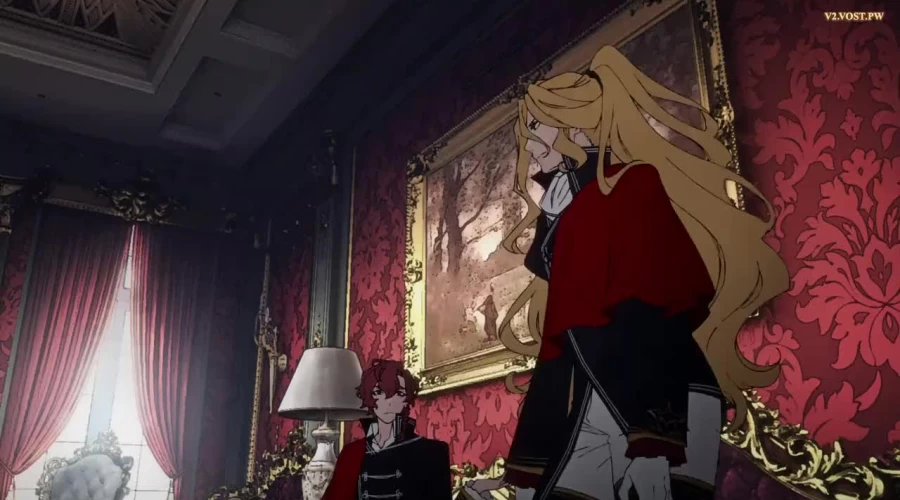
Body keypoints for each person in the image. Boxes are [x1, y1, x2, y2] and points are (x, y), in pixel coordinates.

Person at [469, 45, 790, 500]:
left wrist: (652, 439)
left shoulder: (632, 184)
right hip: (603, 395)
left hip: (664, 399)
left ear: (574, 126)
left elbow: (651, 308)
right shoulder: (564, 205)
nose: (530, 144)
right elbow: (561, 343)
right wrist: (522, 472)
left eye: (537, 127)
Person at [322, 359, 452, 500]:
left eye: (399, 393)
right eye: (379, 392)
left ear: (406, 401)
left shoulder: (433, 452)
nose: (389, 402)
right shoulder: (351, 453)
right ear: (369, 397)